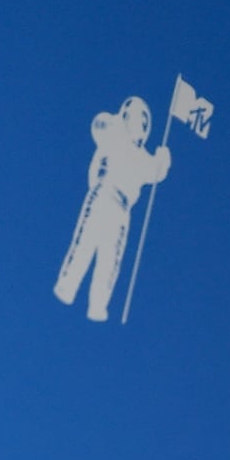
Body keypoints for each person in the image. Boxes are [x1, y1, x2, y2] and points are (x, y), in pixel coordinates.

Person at [54, 96, 170, 324]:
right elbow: (99, 126)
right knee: (85, 243)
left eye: (145, 122)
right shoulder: (114, 135)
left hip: (122, 208)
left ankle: (98, 304)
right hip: (103, 192)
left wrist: (162, 159)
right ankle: (67, 286)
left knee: (110, 257)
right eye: (138, 118)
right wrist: (116, 123)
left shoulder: (141, 157)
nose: (141, 125)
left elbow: (155, 172)